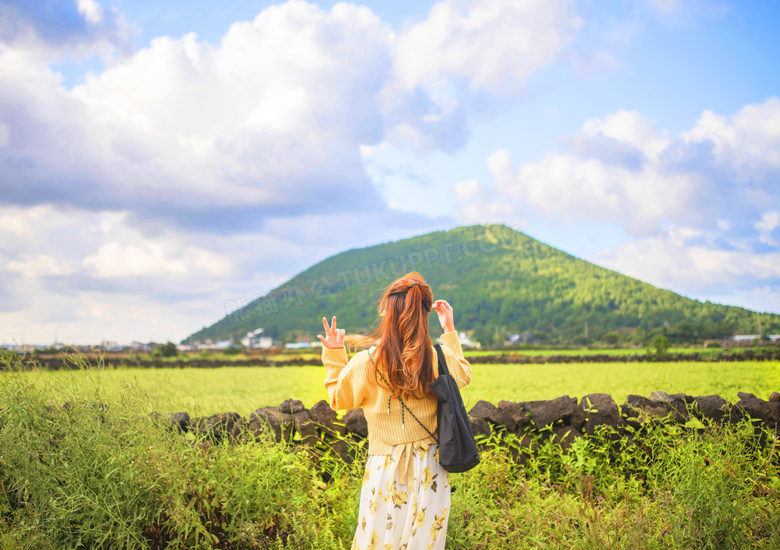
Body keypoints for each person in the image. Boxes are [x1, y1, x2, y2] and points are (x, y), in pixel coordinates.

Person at [318, 272, 472, 550]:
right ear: (425, 313)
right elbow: (462, 374)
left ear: (386, 310)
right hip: (432, 467)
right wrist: (449, 330)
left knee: (378, 542)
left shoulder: (366, 362)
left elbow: (339, 399)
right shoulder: (438, 357)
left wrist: (334, 353)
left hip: (385, 467)